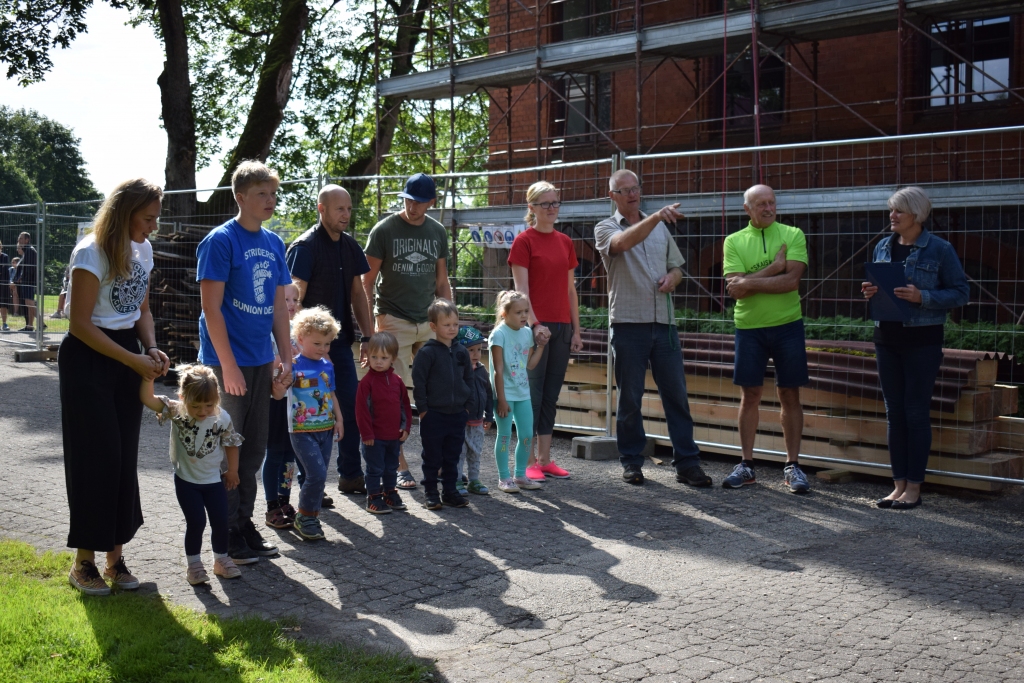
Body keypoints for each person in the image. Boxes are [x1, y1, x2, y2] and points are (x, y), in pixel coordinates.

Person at [60, 178, 169, 596]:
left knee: (122, 459)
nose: (153, 226)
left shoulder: (143, 249)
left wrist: (152, 348)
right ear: (125, 214)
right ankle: (82, 563)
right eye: (148, 218)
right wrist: (132, 359)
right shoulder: (91, 251)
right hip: (89, 357)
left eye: (156, 218)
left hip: (127, 353)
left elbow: (141, 309)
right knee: (96, 459)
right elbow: (79, 324)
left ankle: (115, 559)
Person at [197, 160, 293, 564]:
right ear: (240, 197)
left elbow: (277, 305)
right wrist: (228, 366)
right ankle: (225, 533)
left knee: (252, 450)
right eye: (261, 194)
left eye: (273, 193)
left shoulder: (273, 243)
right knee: (226, 451)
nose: (270, 200)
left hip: (260, 361)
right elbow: (211, 309)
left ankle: (243, 523)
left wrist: (286, 357)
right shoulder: (220, 241)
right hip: (226, 365)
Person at [593, 169, 713, 488]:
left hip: (664, 324)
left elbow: (677, 268)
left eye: (636, 188)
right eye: (625, 190)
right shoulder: (605, 228)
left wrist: (673, 278)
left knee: (676, 395)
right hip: (629, 324)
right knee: (630, 397)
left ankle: (687, 464)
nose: (633, 194)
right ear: (613, 197)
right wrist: (657, 217)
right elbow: (622, 243)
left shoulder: (660, 228)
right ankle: (632, 462)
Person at [861, 187, 969, 510]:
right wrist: (870, 291)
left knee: (916, 411)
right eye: (891, 210)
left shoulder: (939, 249)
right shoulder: (883, 245)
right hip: (886, 338)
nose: (891, 216)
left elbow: (960, 292)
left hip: (923, 340)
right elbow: (882, 287)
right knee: (894, 413)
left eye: (898, 211)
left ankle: (914, 488)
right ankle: (897, 485)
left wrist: (923, 297)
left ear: (916, 215)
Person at [362, 172, 452, 490]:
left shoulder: (437, 231)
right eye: (408, 200)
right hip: (393, 320)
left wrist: (449, 321)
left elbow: (442, 281)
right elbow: (366, 280)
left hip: (428, 320)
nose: (412, 207)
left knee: (438, 391)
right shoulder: (384, 230)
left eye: (419, 201)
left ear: (431, 202)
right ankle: (399, 466)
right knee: (391, 396)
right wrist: (369, 327)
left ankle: (436, 462)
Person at [722, 184, 811, 494]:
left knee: (790, 394)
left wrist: (751, 280)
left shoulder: (793, 234)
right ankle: (746, 464)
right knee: (751, 394)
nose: (768, 208)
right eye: (760, 203)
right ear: (747, 209)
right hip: (749, 327)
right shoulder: (733, 241)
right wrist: (774, 267)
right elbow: (735, 288)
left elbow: (791, 282)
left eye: (772, 202)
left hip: (788, 325)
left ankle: (793, 466)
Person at [287, 184, 373, 496]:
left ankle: (351, 475)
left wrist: (369, 335)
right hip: (307, 350)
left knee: (349, 408)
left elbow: (358, 295)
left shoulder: (350, 246)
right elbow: (294, 299)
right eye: (340, 209)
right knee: (311, 413)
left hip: (339, 345)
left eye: (349, 209)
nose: (346, 215)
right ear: (322, 209)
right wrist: (292, 346)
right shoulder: (305, 247)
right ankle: (311, 483)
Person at [140, 365, 244, 584]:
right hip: (186, 482)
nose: (203, 411)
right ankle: (194, 566)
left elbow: (231, 442)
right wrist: (149, 376)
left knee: (220, 521)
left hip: (214, 481)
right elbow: (148, 399)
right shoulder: (176, 410)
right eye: (195, 405)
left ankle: (221, 560)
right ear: (182, 396)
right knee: (196, 521)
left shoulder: (221, 417)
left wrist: (232, 470)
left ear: (217, 398)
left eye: (209, 405)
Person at [508, 181, 582, 482]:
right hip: (534, 329)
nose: (552, 208)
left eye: (555, 202)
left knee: (550, 395)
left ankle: (545, 459)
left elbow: (570, 290)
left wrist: (576, 330)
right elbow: (521, 292)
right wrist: (534, 324)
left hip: (563, 328)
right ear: (532, 208)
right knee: (531, 396)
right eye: (545, 203)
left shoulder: (565, 242)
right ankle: (526, 460)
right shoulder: (524, 242)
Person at [273, 306, 344, 540]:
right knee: (317, 474)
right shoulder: (292, 366)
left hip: (326, 429)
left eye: (327, 344)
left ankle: (310, 516)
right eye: (317, 344)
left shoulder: (327, 366)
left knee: (319, 475)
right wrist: (280, 384)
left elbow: (331, 394)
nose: (323, 349)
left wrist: (339, 419)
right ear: (300, 339)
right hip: (301, 430)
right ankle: (305, 517)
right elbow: (277, 394)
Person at [411, 298, 475, 510]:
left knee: (452, 455)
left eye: (455, 324)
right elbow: (419, 382)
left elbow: (469, 379)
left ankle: (450, 491)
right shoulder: (426, 353)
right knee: (432, 456)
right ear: (433, 326)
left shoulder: (461, 352)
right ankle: (430, 492)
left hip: (457, 413)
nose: (452, 328)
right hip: (433, 415)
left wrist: (467, 406)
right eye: (447, 325)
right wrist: (423, 410)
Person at [488, 291, 548, 494]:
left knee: (527, 435)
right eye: (518, 312)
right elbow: (498, 370)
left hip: (523, 394)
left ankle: (520, 475)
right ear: (504, 314)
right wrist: (501, 399)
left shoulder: (526, 333)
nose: (523, 316)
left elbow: (529, 365)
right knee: (504, 435)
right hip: (504, 395)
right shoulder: (499, 334)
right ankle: (504, 477)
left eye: (526, 311)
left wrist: (540, 346)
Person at [356, 331, 413, 514]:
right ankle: (373, 497)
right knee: (374, 469)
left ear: (393, 358)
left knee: (391, 468)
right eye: (374, 357)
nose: (378, 361)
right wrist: (367, 434)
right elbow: (361, 411)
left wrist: (405, 427)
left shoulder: (397, 381)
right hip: (374, 438)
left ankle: (390, 493)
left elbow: (405, 405)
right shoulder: (366, 383)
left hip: (393, 437)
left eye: (383, 357)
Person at [264, 282, 301, 529]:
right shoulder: (268, 331)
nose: (290, 305)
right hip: (275, 402)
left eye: (295, 300)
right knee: (275, 453)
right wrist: (286, 359)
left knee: (290, 456)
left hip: (297, 404)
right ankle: (270, 506)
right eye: (285, 300)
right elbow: (270, 363)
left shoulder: (300, 331)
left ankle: (285, 500)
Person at [455, 326, 493, 496]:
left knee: (475, 452)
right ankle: (456, 481)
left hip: (478, 421)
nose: (476, 354)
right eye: (471, 350)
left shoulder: (482, 370)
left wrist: (489, 415)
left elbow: (489, 393)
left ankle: (474, 480)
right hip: (461, 421)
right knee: (459, 453)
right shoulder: (458, 370)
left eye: (478, 349)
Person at [15, 231, 37, 331]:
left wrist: (24, 278)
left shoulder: (30, 251)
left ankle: (31, 325)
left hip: (29, 281)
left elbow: (30, 268)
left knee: (30, 303)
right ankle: (29, 325)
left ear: (27, 240)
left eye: (21, 238)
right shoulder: (26, 251)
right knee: (28, 303)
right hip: (26, 281)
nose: (19, 240)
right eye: (19, 238)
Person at [0, 240, 10, 331]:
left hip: (3, 283)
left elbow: (5, 271)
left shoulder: (4, 257)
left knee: (3, 304)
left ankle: (4, 323)